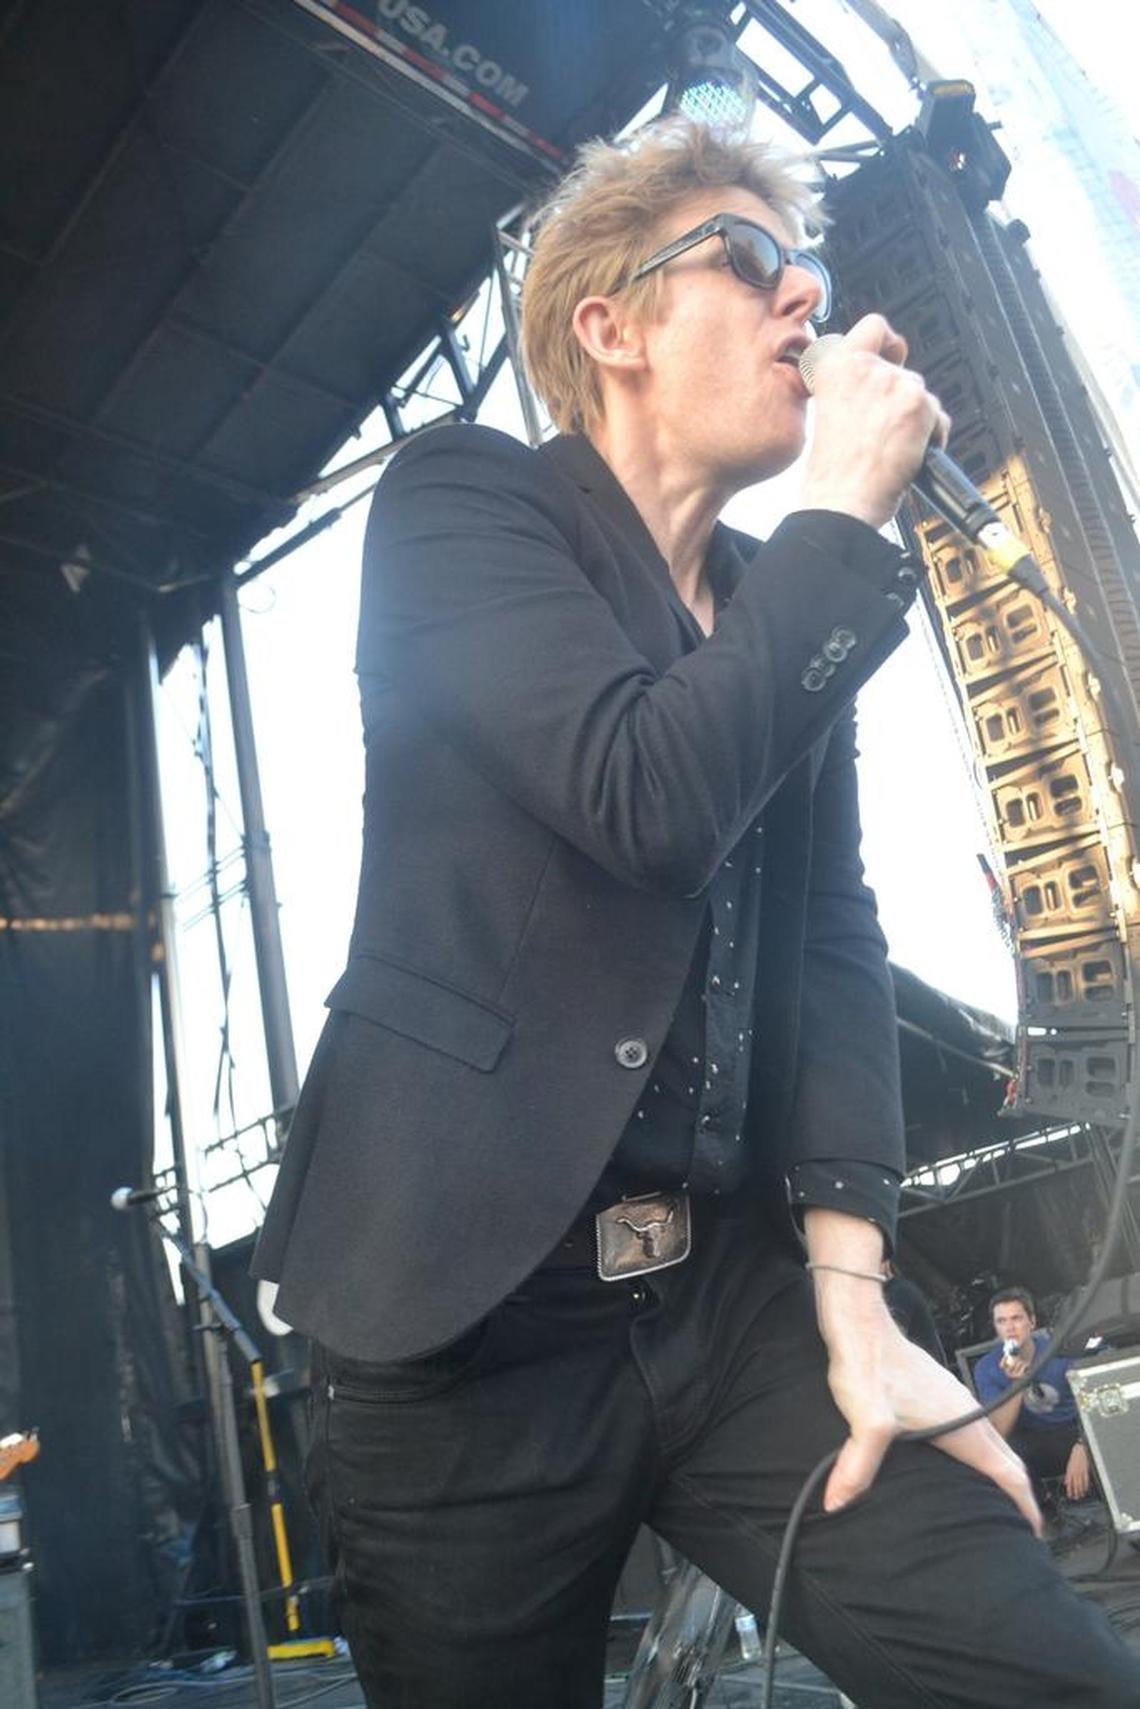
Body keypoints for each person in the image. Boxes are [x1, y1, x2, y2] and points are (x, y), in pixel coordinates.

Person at [252, 118, 1140, 1706]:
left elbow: (833, 933)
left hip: (726, 1297)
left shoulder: (779, 597)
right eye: (751, 262)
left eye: (815, 276)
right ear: (610, 326)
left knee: (1046, 1671)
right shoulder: (463, 506)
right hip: (466, 1318)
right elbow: (643, 794)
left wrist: (856, 1299)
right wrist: (840, 517)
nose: (808, 301)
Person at [974, 1286, 1092, 1502]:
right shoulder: (987, 1367)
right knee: (999, 1452)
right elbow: (999, 1432)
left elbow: (1094, 1403)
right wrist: (1018, 1384)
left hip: (1074, 1432)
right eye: (1001, 1321)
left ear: (1032, 1322)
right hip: (1033, 1441)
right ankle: (1044, 1511)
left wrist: (1084, 1445)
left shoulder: (1060, 1353)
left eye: (1016, 1318)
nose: (1010, 1328)